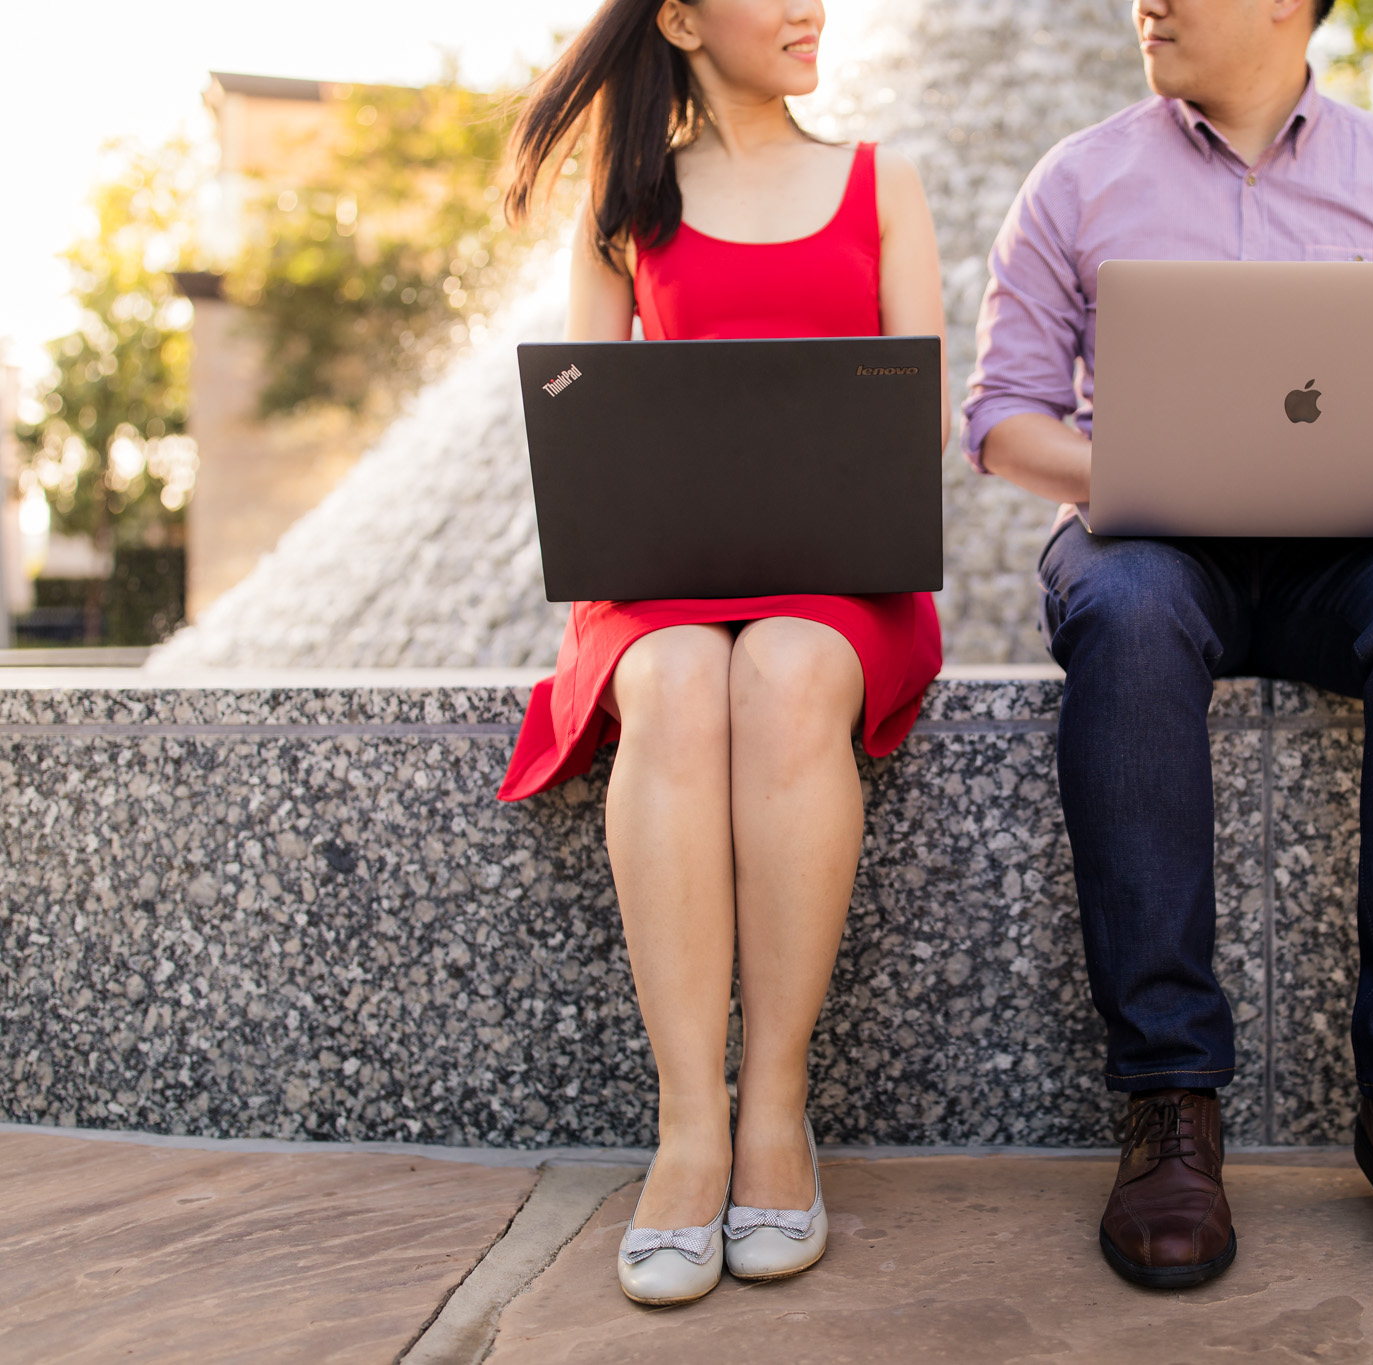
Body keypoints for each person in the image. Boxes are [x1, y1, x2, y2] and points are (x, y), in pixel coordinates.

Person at [965, 0, 1373, 1293]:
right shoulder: (1079, 177)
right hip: (1152, 540)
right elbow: (1003, 419)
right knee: (1128, 606)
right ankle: (1171, 1105)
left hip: (1356, 557)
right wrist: (1147, 469)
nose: (1145, 3)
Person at [498, 0, 946, 1306]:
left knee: (790, 668)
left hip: (837, 575)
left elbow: (911, 424)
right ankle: (689, 1126)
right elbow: (590, 426)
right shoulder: (626, 198)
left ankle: (774, 1115)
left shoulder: (883, 181)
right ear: (682, 18)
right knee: (682, 679)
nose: (811, 7)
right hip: (663, 586)